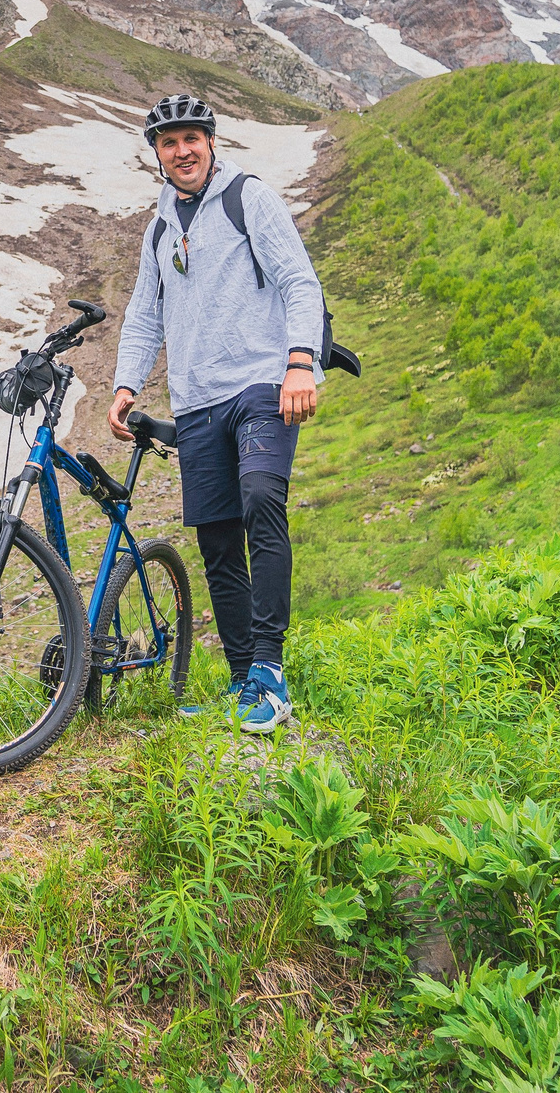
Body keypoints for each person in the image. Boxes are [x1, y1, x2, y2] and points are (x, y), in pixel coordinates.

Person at [107, 94, 324, 732]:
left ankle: (270, 672)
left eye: (192, 138)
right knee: (219, 540)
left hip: (261, 384)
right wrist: (125, 385)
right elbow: (146, 314)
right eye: (169, 142)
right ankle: (240, 680)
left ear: (210, 140)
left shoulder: (247, 198)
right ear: (156, 153)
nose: (183, 151)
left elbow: (299, 282)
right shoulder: (158, 228)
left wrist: (300, 362)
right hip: (197, 400)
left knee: (261, 499)